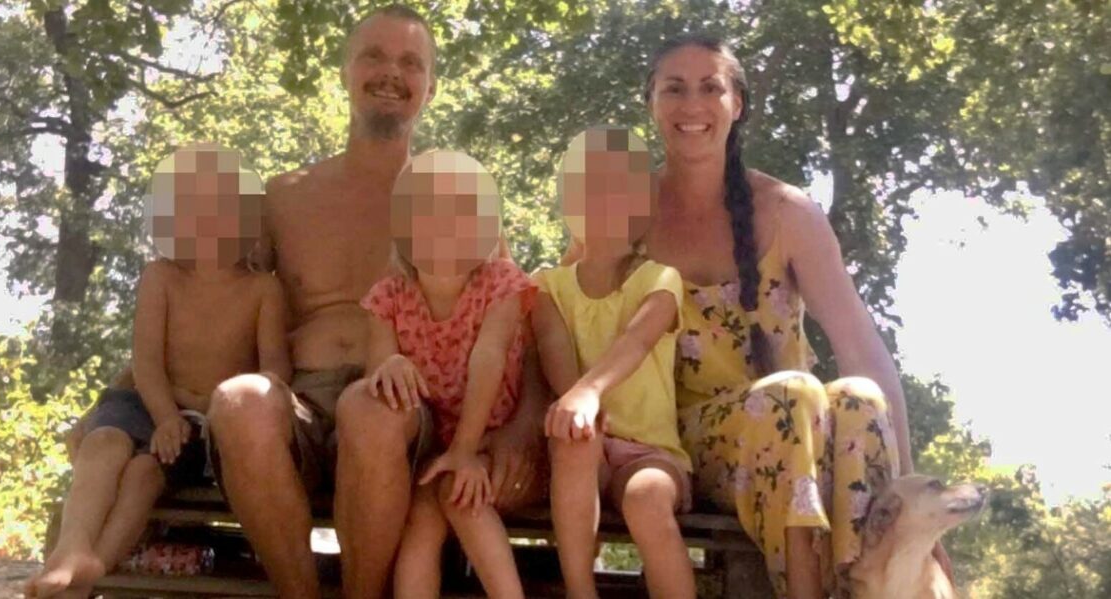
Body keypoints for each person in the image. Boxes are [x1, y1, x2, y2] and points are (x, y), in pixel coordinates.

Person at [563, 35, 949, 598]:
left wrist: (911, 490)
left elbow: (862, 350)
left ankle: (881, 584)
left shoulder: (788, 212)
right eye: (674, 89)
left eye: (710, 88)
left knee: (859, 398)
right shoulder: (620, 209)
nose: (692, 104)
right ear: (651, 102)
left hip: (795, 439)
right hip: (672, 448)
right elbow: (565, 313)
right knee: (791, 393)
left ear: (736, 103)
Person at [205, 6, 546, 599]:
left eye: (411, 63)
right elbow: (219, 300)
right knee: (240, 400)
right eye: (374, 56)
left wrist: (524, 422)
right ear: (346, 72)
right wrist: (125, 399)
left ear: (430, 87)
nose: (391, 73)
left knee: (374, 406)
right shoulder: (284, 196)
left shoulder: (457, 199)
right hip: (301, 398)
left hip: (408, 408)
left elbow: (518, 320)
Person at [28, 144, 291, 599]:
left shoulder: (263, 291)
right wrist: (165, 415)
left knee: (144, 474)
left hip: (205, 420)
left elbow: (274, 370)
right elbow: (145, 361)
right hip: (149, 399)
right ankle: (70, 549)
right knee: (102, 441)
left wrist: (210, 413)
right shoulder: (161, 277)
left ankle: (96, 565)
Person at [347, 150, 542, 598]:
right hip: (439, 449)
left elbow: (489, 357)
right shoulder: (388, 297)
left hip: (497, 440)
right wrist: (390, 364)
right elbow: (376, 372)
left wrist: (466, 450)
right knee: (421, 518)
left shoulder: (501, 283)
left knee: (460, 493)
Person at [534, 126, 695, 599]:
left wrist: (590, 391)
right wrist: (578, 405)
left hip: (650, 454)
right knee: (573, 439)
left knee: (646, 499)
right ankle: (580, 592)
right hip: (583, 448)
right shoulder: (547, 286)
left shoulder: (660, 278)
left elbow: (636, 340)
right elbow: (552, 348)